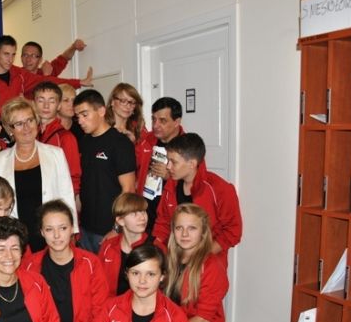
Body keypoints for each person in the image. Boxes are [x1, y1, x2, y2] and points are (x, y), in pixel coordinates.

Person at [0, 97, 77, 252]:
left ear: (37, 122)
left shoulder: (56, 154)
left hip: (52, 234)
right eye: (19, 123)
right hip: (13, 238)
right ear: (9, 129)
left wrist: (72, 231)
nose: (26, 127)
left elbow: (66, 195)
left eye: (30, 120)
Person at [151, 133, 242, 265]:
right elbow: (163, 224)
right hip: (175, 262)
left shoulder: (220, 189)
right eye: (168, 161)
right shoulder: (171, 186)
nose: (168, 166)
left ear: (192, 164)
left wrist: (200, 256)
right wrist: (157, 255)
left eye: (173, 162)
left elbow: (233, 231)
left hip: (208, 264)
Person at [74, 89, 136, 253]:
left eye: (84, 114)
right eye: (78, 116)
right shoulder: (84, 142)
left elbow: (129, 190)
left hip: (109, 230)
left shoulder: (120, 143)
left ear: (101, 111)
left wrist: (116, 228)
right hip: (85, 228)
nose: (80, 121)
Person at [0, 35, 93, 112]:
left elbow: (53, 75)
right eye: (25, 55)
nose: (10, 59)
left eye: (13, 54)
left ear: (40, 59)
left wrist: (79, 82)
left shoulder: (22, 75)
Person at [98, 193, 165, 297]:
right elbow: (99, 283)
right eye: (134, 213)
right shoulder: (108, 246)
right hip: (112, 304)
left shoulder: (157, 247)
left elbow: (165, 285)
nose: (142, 217)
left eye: (143, 211)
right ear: (120, 220)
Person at [138, 97, 186, 232]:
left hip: (171, 222)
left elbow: (196, 186)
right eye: (153, 119)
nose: (155, 125)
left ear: (177, 122)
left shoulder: (189, 148)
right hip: (144, 216)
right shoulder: (145, 140)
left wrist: (171, 176)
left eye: (162, 121)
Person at [32, 81, 82, 195]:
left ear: (58, 105)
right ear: (34, 104)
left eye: (52, 101)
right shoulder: (30, 134)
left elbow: (74, 177)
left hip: (57, 198)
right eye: (41, 100)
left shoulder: (66, 137)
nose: (46, 106)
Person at [20, 39, 86, 77]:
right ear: (21, 57)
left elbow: (64, 57)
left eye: (33, 56)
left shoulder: (46, 71)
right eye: (25, 55)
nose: (28, 59)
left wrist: (74, 46)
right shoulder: (16, 75)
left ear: (40, 60)